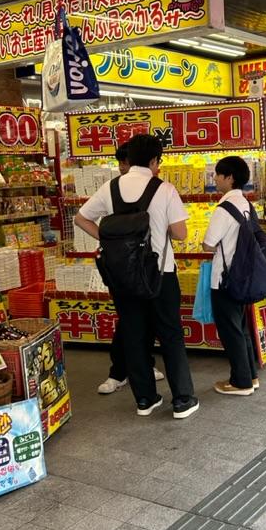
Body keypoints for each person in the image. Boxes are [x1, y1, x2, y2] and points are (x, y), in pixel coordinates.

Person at [75, 134, 199, 419]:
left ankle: (145, 399)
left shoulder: (111, 187)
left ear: (129, 158)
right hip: (160, 275)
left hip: (123, 275)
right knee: (170, 335)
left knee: (133, 334)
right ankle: (182, 400)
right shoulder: (164, 189)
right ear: (155, 160)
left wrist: (108, 240)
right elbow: (180, 233)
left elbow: (80, 218)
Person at [97, 143, 164, 394]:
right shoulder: (112, 188)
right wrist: (108, 241)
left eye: (125, 163)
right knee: (129, 322)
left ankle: (143, 365)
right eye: (120, 164)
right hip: (122, 267)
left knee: (142, 321)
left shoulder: (155, 187)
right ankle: (118, 372)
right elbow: (82, 217)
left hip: (144, 265)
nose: (122, 168)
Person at [202, 156, 259, 396]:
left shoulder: (224, 208)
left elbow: (208, 244)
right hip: (243, 276)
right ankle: (250, 375)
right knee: (241, 328)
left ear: (230, 177)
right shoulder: (246, 204)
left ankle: (240, 383)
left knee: (230, 330)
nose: (215, 179)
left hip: (224, 279)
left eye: (218, 174)